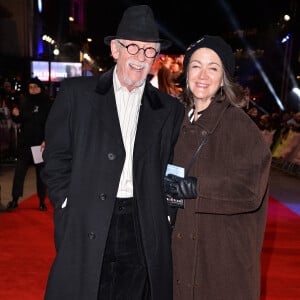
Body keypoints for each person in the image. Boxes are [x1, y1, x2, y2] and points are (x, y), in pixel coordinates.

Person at [41, 5, 184, 300]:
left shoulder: (169, 110)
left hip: (142, 223)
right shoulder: (77, 94)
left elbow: (174, 165)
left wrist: (167, 214)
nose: (141, 57)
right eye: (133, 47)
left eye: (149, 51)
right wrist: (66, 200)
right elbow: (55, 156)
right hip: (87, 216)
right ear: (116, 50)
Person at [170, 35, 272, 299]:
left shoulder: (240, 126)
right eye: (196, 65)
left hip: (221, 265)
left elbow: (249, 190)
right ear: (186, 72)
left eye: (213, 67)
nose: (203, 75)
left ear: (223, 76)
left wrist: (196, 187)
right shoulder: (176, 121)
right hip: (180, 256)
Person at [6, 77, 52, 212]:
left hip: (40, 144)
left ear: (40, 88)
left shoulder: (46, 103)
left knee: (41, 173)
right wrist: (15, 115)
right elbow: (20, 119)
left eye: (35, 87)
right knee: (19, 172)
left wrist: (46, 139)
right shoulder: (24, 100)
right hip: (25, 143)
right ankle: (14, 199)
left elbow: (51, 123)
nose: (32, 89)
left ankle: (42, 200)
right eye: (30, 87)